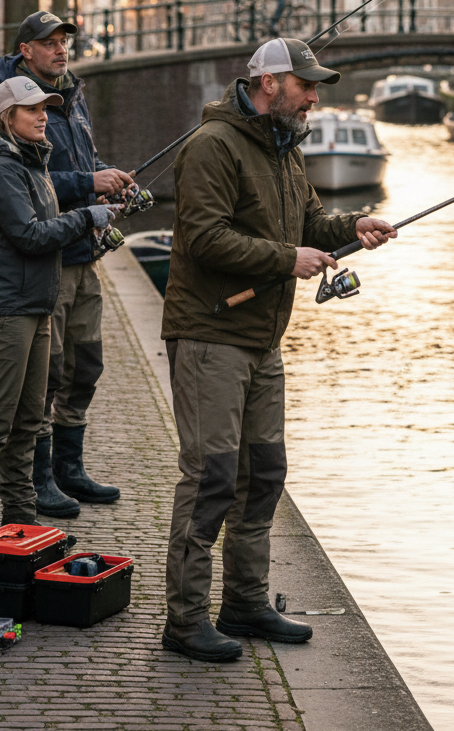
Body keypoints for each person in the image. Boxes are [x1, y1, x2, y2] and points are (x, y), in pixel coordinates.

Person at [160, 36, 397, 661]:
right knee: (210, 479)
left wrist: (353, 226)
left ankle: (244, 602)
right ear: (270, 83)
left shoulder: (283, 148)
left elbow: (310, 224)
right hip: (211, 335)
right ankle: (184, 621)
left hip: (263, 341)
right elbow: (204, 238)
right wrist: (286, 258)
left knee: (262, 474)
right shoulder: (212, 146)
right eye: (306, 85)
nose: (314, 97)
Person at [0, 77, 115, 567]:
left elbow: (45, 229)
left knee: (27, 423)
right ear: (7, 116)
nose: (43, 115)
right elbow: (28, 235)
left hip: (35, 306)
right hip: (3, 311)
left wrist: (91, 214)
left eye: (45, 108)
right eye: (31, 109)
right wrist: (86, 218)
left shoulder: (32, 161)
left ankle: (21, 525)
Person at [0, 11, 134, 519]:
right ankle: (39, 478)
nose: (60, 50)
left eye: (63, 42)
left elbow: (82, 161)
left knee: (85, 364)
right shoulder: (18, 106)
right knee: (46, 373)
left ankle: (69, 469)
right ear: (26, 50)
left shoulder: (72, 96)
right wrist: (88, 185)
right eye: (49, 42)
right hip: (49, 259)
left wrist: (109, 177)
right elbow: (31, 179)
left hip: (84, 254)